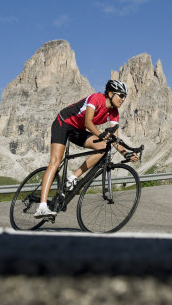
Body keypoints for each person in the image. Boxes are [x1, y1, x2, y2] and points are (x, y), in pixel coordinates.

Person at [34, 80, 138, 218]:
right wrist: (101, 134)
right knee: (55, 162)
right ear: (111, 93)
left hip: (79, 130)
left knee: (103, 146)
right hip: (63, 123)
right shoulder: (96, 98)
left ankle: (72, 178)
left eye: (125, 96)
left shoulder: (114, 113)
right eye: (121, 95)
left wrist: (126, 153)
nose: (123, 99)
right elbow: (88, 122)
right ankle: (41, 207)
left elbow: (115, 139)